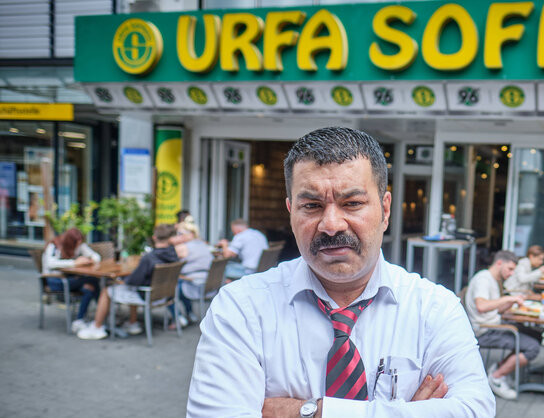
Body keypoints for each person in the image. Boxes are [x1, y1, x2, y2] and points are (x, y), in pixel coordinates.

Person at [187, 127, 493, 417]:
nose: (331, 224)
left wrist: (310, 411)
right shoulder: (240, 309)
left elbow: (476, 410)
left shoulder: (434, 309)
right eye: (312, 206)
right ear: (291, 211)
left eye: (352, 203)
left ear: (385, 210)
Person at [76, 224, 179, 340]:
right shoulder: (173, 254)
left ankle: (97, 327)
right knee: (130, 286)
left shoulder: (148, 258)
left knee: (106, 290)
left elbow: (133, 281)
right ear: (170, 238)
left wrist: (121, 280)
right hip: (163, 295)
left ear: (154, 237)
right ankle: (132, 323)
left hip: (147, 295)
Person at [465, 250, 540, 400]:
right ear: (499, 263)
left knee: (535, 334)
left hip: (493, 324)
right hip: (485, 331)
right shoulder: (483, 279)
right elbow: (482, 306)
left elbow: (496, 309)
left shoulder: (493, 279)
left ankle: (501, 367)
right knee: (533, 347)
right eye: (510, 269)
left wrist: (511, 301)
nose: (511, 273)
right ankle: (497, 377)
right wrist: (507, 299)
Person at [41, 227, 101, 332]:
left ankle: (79, 321)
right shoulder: (54, 246)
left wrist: (89, 259)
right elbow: (50, 263)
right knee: (93, 280)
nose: (78, 246)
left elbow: (95, 256)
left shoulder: (78, 245)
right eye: (77, 243)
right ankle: (103, 315)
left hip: (70, 279)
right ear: (70, 241)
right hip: (55, 281)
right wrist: (74, 262)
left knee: (89, 287)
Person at [169, 219, 214, 327]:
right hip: (207, 282)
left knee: (167, 290)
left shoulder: (183, 247)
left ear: (191, 234)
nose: (178, 236)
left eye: (180, 233)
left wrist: (173, 242)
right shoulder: (202, 244)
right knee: (179, 284)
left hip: (193, 284)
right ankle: (190, 313)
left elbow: (171, 264)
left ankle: (178, 317)